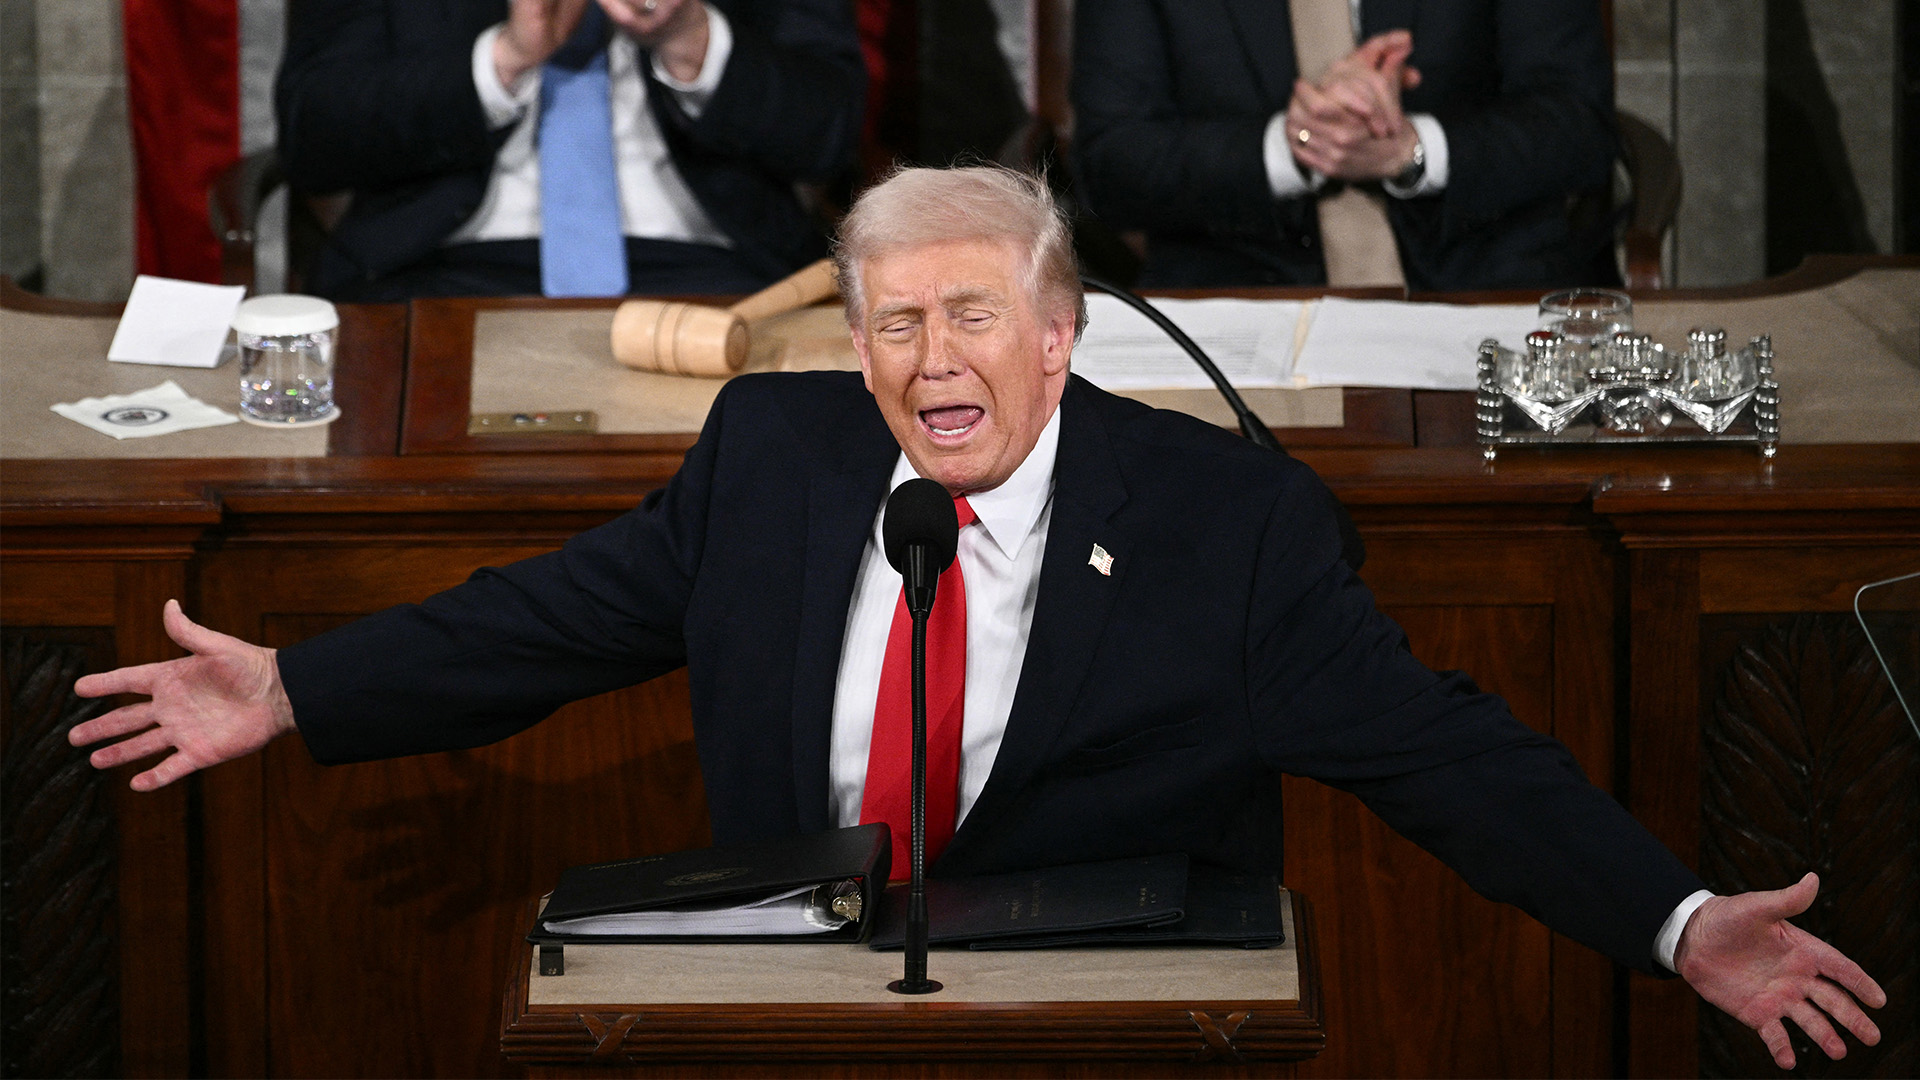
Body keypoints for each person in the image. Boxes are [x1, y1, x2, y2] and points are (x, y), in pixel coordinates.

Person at [74, 166, 1880, 1071]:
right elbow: (552, 619)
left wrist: (1676, 916)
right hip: (793, 1029)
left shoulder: (1223, 528)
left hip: (1109, 1028)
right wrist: (303, 687)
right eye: (893, 326)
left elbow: (1442, 751)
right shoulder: (773, 455)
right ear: (850, 345)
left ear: (1060, 333)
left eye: (974, 318)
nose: (937, 364)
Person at [276, 0, 863, 301]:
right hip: (431, 271)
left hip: (718, 272)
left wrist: (692, 42)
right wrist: (501, 62)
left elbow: (831, 133)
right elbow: (314, 137)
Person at [1071, 0, 1620, 290]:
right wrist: (1292, 149)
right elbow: (1110, 162)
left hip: (1484, 277)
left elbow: (1579, 126)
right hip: (1241, 293)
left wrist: (1410, 150)